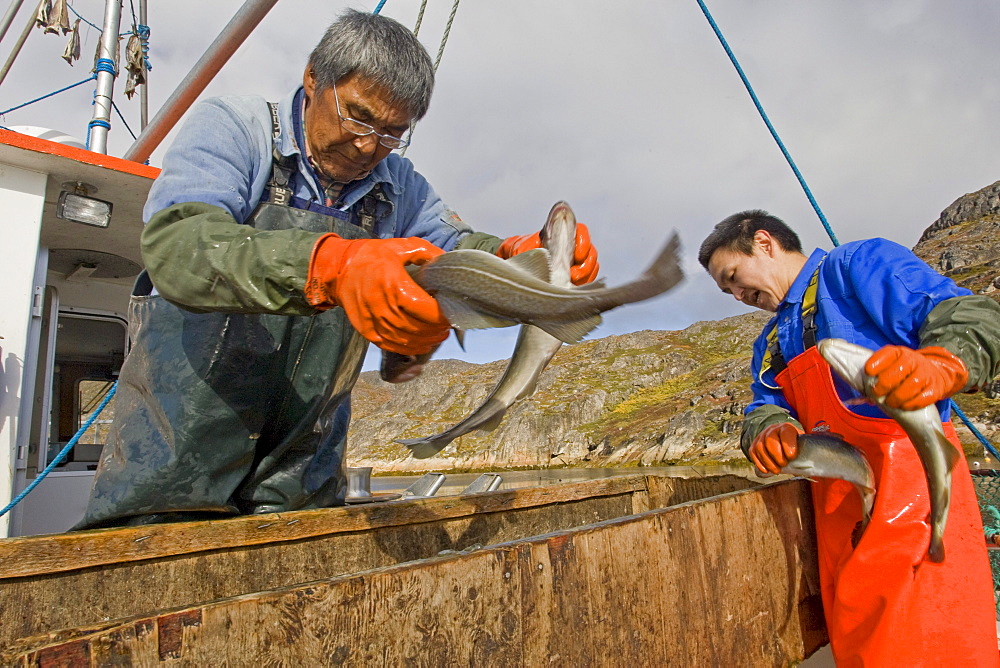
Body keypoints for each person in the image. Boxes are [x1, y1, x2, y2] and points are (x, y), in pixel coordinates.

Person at [77, 10, 599, 529]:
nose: (370, 146)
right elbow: (180, 245)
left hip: (302, 484)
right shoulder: (236, 130)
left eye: (393, 133)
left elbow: (456, 251)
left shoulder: (400, 186)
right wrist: (331, 263)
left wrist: (520, 258)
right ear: (312, 77)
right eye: (358, 116)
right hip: (169, 474)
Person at [698, 210, 1000, 666]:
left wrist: (942, 362)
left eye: (734, 278)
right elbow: (765, 403)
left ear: (764, 242)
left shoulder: (857, 265)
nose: (738, 296)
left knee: (938, 638)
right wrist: (767, 428)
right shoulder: (771, 343)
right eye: (728, 291)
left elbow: (967, 314)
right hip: (840, 518)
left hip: (919, 494)